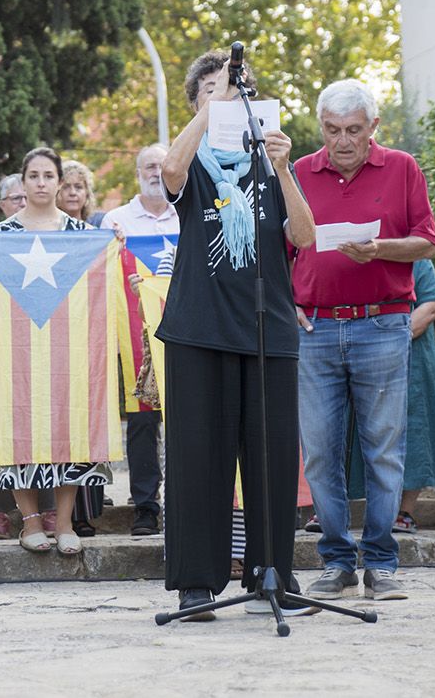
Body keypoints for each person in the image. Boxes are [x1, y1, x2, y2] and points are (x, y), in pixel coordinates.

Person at [156, 53, 317, 621]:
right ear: (195, 102)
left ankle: (273, 576)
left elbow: (304, 236)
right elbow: (169, 173)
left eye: (235, 91)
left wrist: (285, 167)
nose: (226, 98)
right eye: (210, 91)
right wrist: (212, 105)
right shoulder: (192, 161)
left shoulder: (267, 162)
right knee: (200, 461)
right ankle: (196, 585)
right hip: (199, 329)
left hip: (267, 329)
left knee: (271, 463)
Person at [292, 78, 435, 602]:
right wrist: (289, 305)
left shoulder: (402, 167)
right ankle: (335, 560)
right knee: (320, 454)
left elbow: (427, 241)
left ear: (374, 127)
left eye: (354, 130)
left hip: (382, 324)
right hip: (315, 329)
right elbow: (279, 249)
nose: (343, 141)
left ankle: (381, 562)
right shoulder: (301, 173)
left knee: (382, 450)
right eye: (332, 131)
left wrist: (378, 249)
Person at [0, 146, 109, 556]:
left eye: (48, 176)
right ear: (23, 183)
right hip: (17, 350)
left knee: (69, 429)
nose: (41, 183)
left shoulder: (82, 236)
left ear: (60, 182)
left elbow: (99, 286)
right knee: (19, 430)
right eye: (33, 175)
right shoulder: (0, 235)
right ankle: (27, 521)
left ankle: (63, 522)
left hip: (69, 350)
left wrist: (113, 247)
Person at [100, 143, 176, 539]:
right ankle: (146, 506)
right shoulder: (116, 220)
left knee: (185, 420)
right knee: (143, 423)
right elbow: (99, 275)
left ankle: (183, 503)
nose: (157, 172)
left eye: (164, 166)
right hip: (134, 335)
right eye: (149, 166)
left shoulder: (189, 210)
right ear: (137, 173)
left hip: (184, 332)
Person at [346, 259, 435, 533]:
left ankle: (404, 512)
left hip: (409, 355)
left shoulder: (415, 256)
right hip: (354, 351)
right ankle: (332, 511)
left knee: (412, 427)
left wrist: (390, 340)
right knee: (343, 426)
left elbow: (430, 307)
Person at [58, 158, 106, 227]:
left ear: (87, 193)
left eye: (78, 187)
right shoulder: (45, 228)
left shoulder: (101, 225)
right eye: (66, 187)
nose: (72, 193)